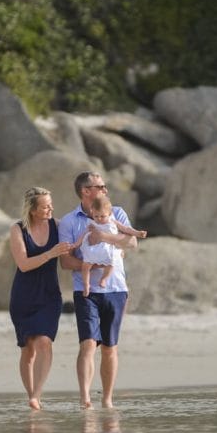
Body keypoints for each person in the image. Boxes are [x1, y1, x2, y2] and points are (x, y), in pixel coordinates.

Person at [58, 172, 140, 409]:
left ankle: (107, 400)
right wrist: (93, 264)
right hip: (86, 291)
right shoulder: (70, 221)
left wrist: (104, 236)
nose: (105, 190)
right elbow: (65, 262)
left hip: (116, 288)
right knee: (88, 344)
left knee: (110, 347)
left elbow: (132, 243)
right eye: (101, 186)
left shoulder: (117, 212)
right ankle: (85, 399)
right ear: (86, 191)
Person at [8, 186, 75, 410]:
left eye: (51, 204)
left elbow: (75, 242)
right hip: (23, 296)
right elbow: (24, 265)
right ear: (33, 210)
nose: (51, 209)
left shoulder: (57, 226)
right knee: (28, 349)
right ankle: (32, 396)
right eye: (45, 206)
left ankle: (36, 395)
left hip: (49, 295)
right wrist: (50, 254)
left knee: (44, 342)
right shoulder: (18, 229)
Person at [74, 194, 146, 297]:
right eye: (96, 216)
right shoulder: (92, 224)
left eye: (102, 216)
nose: (99, 219)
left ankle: (104, 279)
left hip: (108, 249)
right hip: (94, 249)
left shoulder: (113, 222)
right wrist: (76, 244)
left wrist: (138, 233)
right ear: (92, 213)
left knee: (111, 264)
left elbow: (127, 229)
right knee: (85, 266)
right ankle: (86, 285)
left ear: (109, 213)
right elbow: (84, 234)